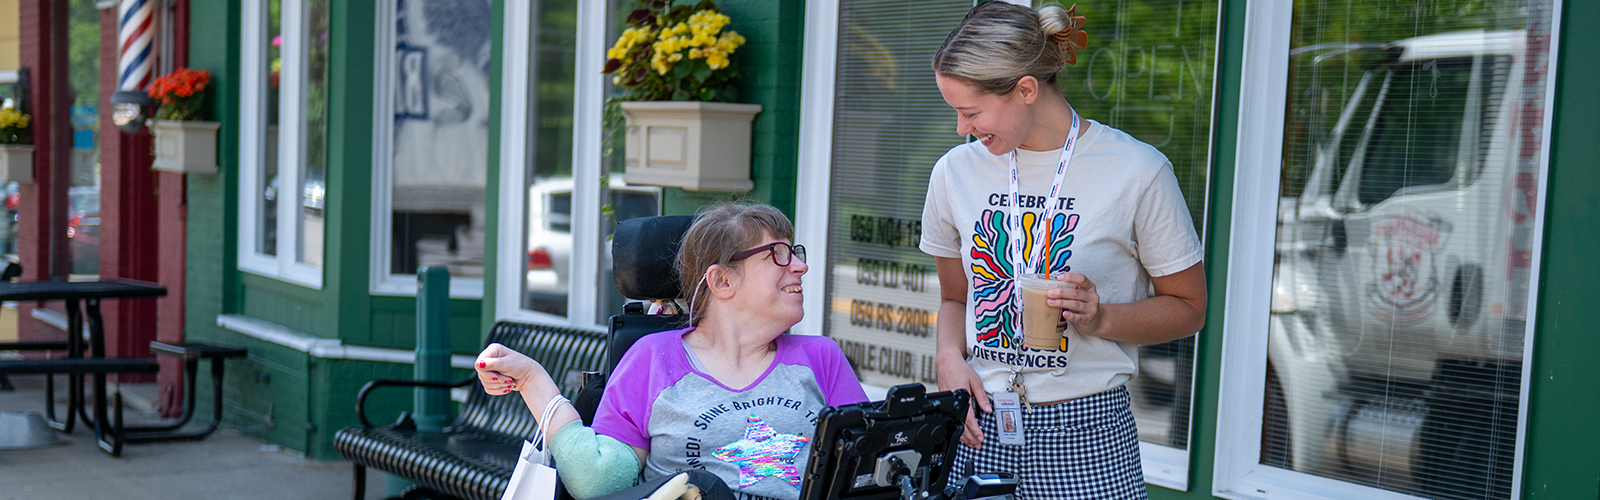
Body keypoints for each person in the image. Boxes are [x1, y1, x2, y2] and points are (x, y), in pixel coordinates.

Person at [920, 3, 1207, 499]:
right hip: (978, 425)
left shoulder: (1138, 171)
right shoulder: (953, 172)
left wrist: (1101, 319)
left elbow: (1189, 309)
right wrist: (949, 358)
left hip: (1088, 435)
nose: (962, 129)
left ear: (1026, 90)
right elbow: (954, 298)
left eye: (970, 112)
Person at [476, 202, 870, 500]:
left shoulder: (821, 358)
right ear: (722, 280)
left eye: (795, 252)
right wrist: (533, 381)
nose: (799, 266)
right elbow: (597, 480)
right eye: (777, 255)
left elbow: (868, 471)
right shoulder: (654, 360)